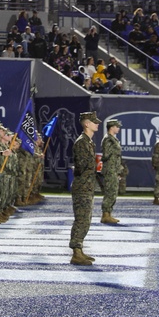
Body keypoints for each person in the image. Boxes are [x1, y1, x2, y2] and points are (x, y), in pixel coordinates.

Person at [69, 111, 100, 265]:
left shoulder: (89, 142)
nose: (97, 124)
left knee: (86, 220)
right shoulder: (82, 142)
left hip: (87, 186)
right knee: (81, 219)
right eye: (94, 121)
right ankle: (75, 252)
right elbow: (81, 166)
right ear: (87, 124)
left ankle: (79, 249)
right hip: (82, 186)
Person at [100, 119, 123, 224]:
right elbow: (106, 155)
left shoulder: (114, 139)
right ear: (111, 127)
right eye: (117, 126)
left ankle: (108, 214)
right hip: (110, 169)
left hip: (114, 169)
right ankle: (105, 215)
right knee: (110, 192)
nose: (118, 128)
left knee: (113, 192)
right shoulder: (108, 139)